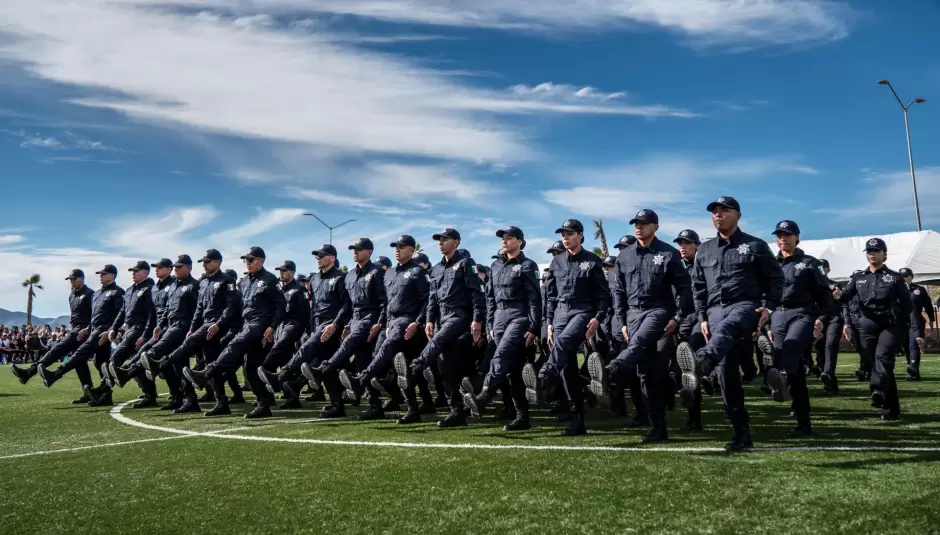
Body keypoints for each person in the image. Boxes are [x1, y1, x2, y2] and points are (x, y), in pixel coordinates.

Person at [677, 197, 783, 451]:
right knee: (727, 375)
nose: (718, 215)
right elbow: (698, 287)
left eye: (724, 210)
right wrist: (702, 317)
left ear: (738, 215)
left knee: (727, 329)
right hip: (713, 312)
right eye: (714, 211)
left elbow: (776, 279)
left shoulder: (755, 246)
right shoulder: (704, 249)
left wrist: (768, 308)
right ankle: (740, 432)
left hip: (745, 306)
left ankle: (702, 362)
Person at [593, 210, 692, 442]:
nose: (639, 227)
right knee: (649, 374)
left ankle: (611, 372)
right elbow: (618, 291)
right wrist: (623, 320)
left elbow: (685, 288)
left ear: (655, 227)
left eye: (644, 224)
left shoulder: (668, 253)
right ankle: (659, 427)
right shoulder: (625, 257)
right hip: (633, 315)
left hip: (659, 311)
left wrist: (678, 317)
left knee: (637, 345)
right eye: (636, 223)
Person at [184, 246, 286, 418]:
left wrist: (273, 327)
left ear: (261, 260)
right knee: (250, 368)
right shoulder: (244, 282)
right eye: (246, 260)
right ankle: (263, 405)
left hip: (261, 325)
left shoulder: (270, 280)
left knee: (235, 344)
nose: (247, 263)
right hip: (247, 324)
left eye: (251, 260)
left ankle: (207, 373)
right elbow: (239, 308)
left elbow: (281, 306)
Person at [342, 234, 432, 423]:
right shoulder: (390, 273)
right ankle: (412, 409)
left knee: (392, 355)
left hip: (410, 324)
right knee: (400, 367)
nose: (397, 250)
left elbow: (428, 300)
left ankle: (363, 379)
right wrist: (385, 323)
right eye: (395, 247)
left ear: (412, 250)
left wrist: (418, 321)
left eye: (401, 246)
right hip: (393, 323)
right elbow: (388, 302)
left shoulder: (419, 272)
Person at [463, 226, 540, 431]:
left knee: (500, 355)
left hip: (519, 315)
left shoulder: (527, 265)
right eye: (503, 238)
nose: (504, 241)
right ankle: (522, 417)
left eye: (509, 238)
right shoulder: (495, 266)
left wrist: (534, 326)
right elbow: (490, 298)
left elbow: (534, 297)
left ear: (520, 242)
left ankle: (483, 396)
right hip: (499, 318)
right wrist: (489, 324)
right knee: (512, 371)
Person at [408, 228, 486, 428]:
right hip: (442, 317)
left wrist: (477, 320)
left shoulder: (466, 263)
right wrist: (429, 320)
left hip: (459, 315)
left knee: (438, 341)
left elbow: (476, 293)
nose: (440, 242)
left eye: (444, 239)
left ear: (456, 242)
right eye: (439, 239)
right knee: (446, 366)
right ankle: (457, 411)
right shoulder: (435, 269)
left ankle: (418, 364)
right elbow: (432, 298)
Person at [834, 238, 919, 420]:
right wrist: (838, 295)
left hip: (890, 325)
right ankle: (891, 410)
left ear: (884, 254)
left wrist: (901, 324)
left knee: (883, 356)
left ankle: (877, 390)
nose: (872, 253)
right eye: (869, 251)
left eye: (876, 250)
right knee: (878, 364)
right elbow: (846, 297)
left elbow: (907, 305)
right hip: (867, 325)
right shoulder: (858, 278)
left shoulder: (895, 278)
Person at [761, 220, 833, 436]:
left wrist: (822, 319)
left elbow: (825, 295)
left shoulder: (810, 263)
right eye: (779, 235)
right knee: (796, 372)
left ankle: (775, 378)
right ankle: (803, 421)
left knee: (791, 350)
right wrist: (768, 323)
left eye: (787, 235)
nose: (783, 238)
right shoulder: (770, 265)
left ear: (797, 237)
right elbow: (765, 296)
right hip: (778, 316)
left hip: (803, 313)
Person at [302, 238, 386, 417]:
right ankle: (373, 406)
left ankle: (324, 369)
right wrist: (346, 323)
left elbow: (383, 302)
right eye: (353, 249)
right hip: (354, 321)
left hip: (370, 320)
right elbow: (348, 305)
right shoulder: (350, 275)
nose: (355, 252)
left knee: (349, 347)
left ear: (369, 252)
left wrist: (380, 322)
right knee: (363, 362)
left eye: (359, 249)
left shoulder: (377, 272)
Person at [539, 219, 609, 436]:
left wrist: (598, 317)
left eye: (569, 233)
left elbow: (603, 295)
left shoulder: (592, 260)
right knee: (567, 368)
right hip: (560, 313)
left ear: (580, 235)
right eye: (563, 234)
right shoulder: (556, 262)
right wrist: (549, 323)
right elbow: (550, 296)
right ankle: (577, 420)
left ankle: (544, 374)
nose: (565, 237)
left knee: (563, 342)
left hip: (582, 311)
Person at [259, 245, 347, 412]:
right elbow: (313, 308)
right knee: (326, 364)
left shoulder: (340, 278)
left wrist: (335, 324)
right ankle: (337, 405)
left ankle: (281, 375)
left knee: (307, 349)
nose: (318, 258)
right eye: (317, 256)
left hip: (332, 324)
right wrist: (312, 329)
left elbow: (345, 306)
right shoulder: (314, 280)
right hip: (319, 324)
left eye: (321, 256)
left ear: (332, 258)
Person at [38, 265, 126, 406]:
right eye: (100, 274)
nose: (100, 276)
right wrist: (88, 328)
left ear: (113, 275)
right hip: (94, 329)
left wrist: (111, 329)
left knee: (80, 353)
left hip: (104, 330)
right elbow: (94, 316)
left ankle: (55, 374)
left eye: (104, 274)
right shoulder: (97, 293)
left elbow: (120, 314)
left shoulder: (118, 292)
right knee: (100, 363)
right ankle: (105, 395)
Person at [11, 269, 93, 396]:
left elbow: (95, 314)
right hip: (75, 328)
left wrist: (89, 328)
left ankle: (29, 372)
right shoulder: (72, 295)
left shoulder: (90, 294)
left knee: (57, 349)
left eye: (74, 279)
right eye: (70, 279)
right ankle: (88, 390)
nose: (71, 281)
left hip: (83, 329)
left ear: (82, 278)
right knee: (79, 361)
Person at [87, 261, 156, 404]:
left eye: (137, 271)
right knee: (136, 364)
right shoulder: (130, 290)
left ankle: (101, 391)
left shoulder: (149, 289)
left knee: (115, 359)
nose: (133, 273)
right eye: (132, 271)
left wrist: (145, 335)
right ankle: (150, 395)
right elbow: (123, 312)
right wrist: (114, 328)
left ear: (145, 272)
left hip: (140, 328)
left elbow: (152, 314)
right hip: (130, 328)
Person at [899, 267, 935, 381]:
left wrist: (931, 319)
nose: (904, 278)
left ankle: (913, 367)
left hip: (916, 321)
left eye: (906, 276)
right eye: (901, 277)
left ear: (911, 277)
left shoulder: (919, 290)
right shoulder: (895, 290)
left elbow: (928, 305)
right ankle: (914, 373)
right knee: (906, 346)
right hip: (902, 322)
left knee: (914, 344)